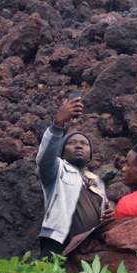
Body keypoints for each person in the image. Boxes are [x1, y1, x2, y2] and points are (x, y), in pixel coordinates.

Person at [36, 97, 113, 258]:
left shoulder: (97, 182)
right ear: (62, 152)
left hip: (89, 248)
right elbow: (44, 158)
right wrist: (58, 124)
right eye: (72, 143)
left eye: (84, 144)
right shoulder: (56, 170)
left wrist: (107, 216)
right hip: (58, 244)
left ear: (91, 155)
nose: (79, 145)